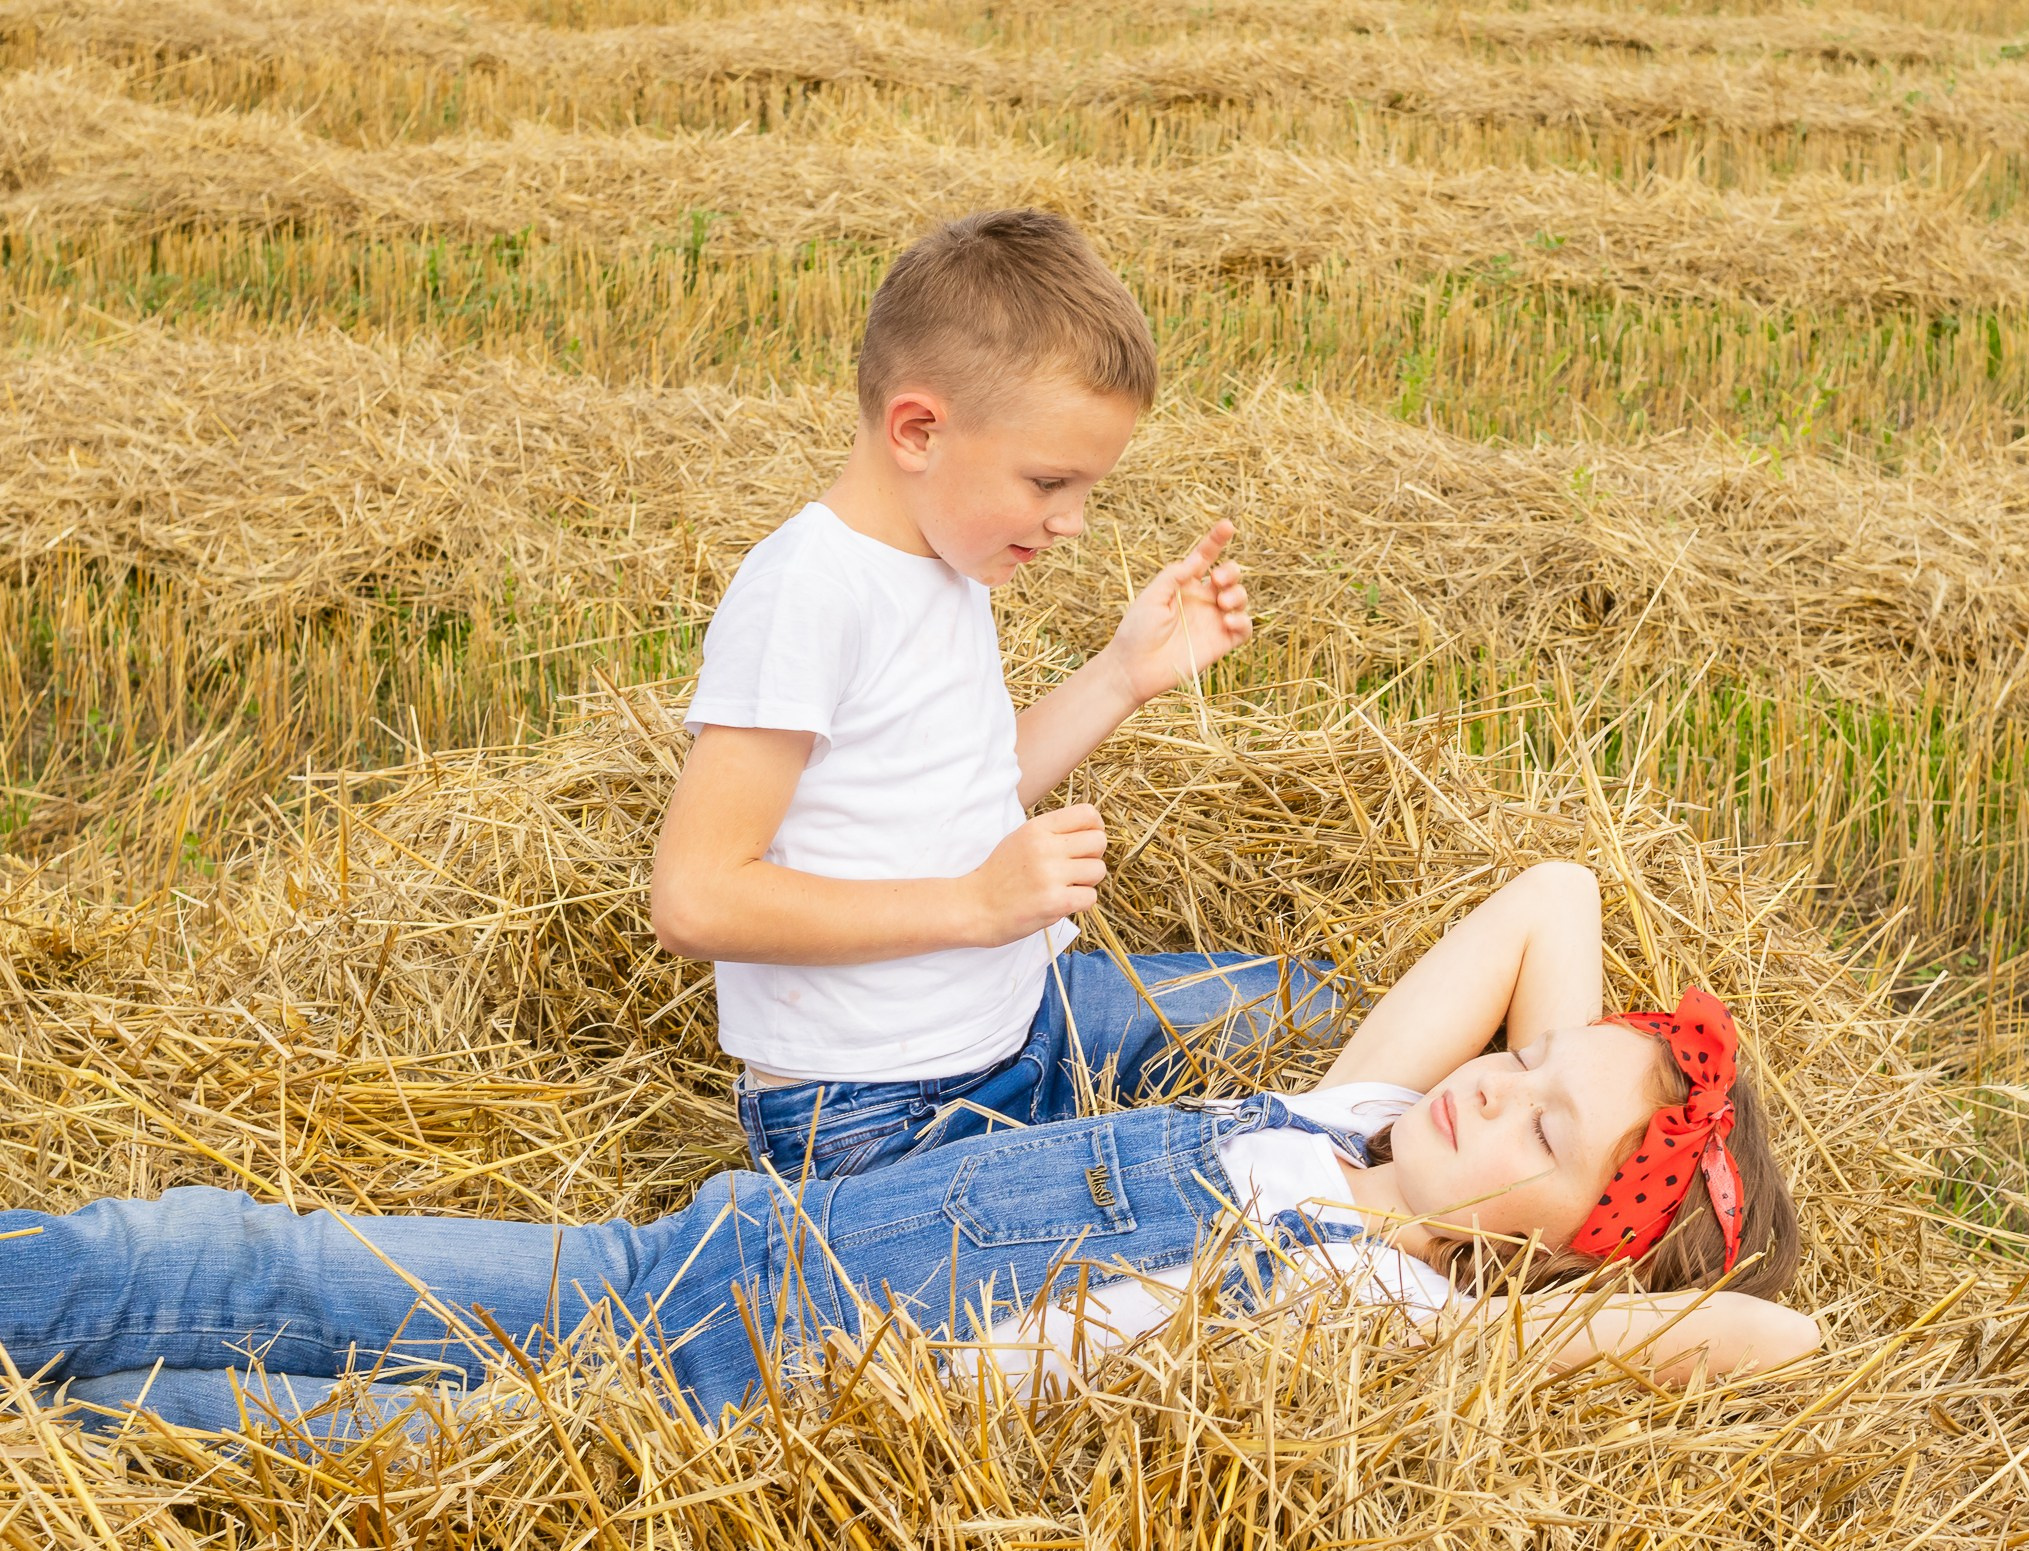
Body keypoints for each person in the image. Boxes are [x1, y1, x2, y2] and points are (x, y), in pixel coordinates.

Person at [2, 863, 1818, 1440]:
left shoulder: (1379, 1320)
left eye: (1539, 1120)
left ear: (1572, 1246)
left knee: (243, 1419)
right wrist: (1620, 1075)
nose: (1490, 1089)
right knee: (259, 1253)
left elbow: (1763, 1339)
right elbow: (1553, 894)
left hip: (709, 1403)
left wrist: (1591, 1264)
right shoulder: (1350, 1118)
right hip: (687, 1257)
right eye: (1515, 1065)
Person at [647, 208, 1342, 1180]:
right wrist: (975, 904)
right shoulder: (809, 593)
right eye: (1049, 482)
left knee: (1311, 1008)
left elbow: (956, 792)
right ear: (919, 431)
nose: (1073, 523)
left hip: (1022, 1015)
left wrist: (1120, 675)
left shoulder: (941, 561)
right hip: (879, 1107)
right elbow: (695, 897)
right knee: (1202, 1186)